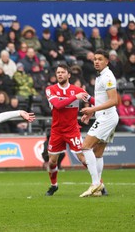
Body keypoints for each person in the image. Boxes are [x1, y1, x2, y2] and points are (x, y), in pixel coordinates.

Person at [44, 64, 90, 196]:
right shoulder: (50, 89)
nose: (60, 74)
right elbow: (57, 105)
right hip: (57, 131)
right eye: (58, 72)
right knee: (52, 161)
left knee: (82, 158)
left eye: (63, 72)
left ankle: (99, 183)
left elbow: (92, 100)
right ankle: (54, 185)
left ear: (68, 75)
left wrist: (90, 112)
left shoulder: (77, 89)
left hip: (72, 130)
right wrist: (76, 97)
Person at [80, 49, 119, 197]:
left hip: (107, 117)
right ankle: (98, 188)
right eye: (95, 59)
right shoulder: (100, 76)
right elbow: (103, 100)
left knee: (85, 147)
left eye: (100, 59)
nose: (96, 61)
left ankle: (96, 183)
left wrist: (93, 109)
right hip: (105, 116)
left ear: (107, 61)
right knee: (98, 153)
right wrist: (92, 113)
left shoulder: (108, 77)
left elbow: (114, 100)